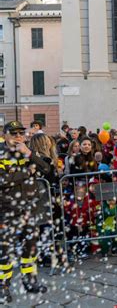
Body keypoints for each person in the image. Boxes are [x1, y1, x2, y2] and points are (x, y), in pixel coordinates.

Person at [0, 121, 50, 303]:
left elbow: (46, 168)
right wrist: (27, 173)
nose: (18, 137)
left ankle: (29, 280)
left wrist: (29, 154)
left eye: (21, 133)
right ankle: (3, 286)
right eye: (14, 134)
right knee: (5, 250)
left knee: (30, 246)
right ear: (5, 134)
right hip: (6, 209)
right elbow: (3, 180)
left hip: (29, 208)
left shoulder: (27, 151)